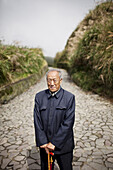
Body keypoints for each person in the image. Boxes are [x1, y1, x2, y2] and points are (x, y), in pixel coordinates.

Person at [34, 69, 75, 170]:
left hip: (64, 146)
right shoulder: (39, 97)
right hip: (45, 147)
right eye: (49, 80)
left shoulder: (69, 97)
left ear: (60, 80)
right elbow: (37, 121)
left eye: (54, 80)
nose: (51, 83)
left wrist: (54, 143)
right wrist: (43, 142)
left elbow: (68, 123)